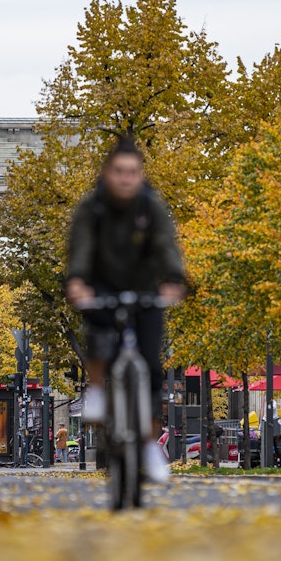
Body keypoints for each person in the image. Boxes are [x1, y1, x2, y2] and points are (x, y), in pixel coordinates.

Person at [65, 135, 186, 483]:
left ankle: (149, 444)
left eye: (133, 172)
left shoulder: (152, 207)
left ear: (141, 174)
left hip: (144, 288)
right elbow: (81, 249)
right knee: (100, 335)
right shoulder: (93, 208)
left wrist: (175, 279)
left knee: (150, 369)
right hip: (102, 285)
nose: (126, 178)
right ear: (107, 173)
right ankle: (98, 390)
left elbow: (167, 245)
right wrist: (77, 281)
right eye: (119, 171)